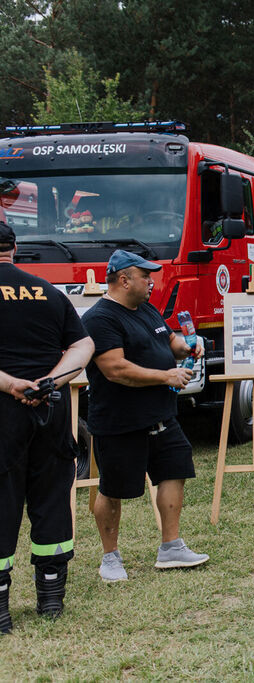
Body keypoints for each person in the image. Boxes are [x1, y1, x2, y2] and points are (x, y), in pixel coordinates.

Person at [82, 249, 208, 582]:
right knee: (113, 489)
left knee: (174, 471)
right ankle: (110, 557)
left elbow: (168, 341)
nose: (152, 282)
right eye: (146, 276)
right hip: (120, 422)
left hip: (162, 416)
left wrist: (188, 346)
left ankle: (171, 547)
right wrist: (167, 376)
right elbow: (115, 369)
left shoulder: (147, 309)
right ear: (124, 280)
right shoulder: (100, 319)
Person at [0, 221, 95, 633]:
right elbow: (83, 345)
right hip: (50, 409)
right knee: (52, 495)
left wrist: (10, 384)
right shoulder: (47, 291)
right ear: (14, 248)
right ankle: (51, 597)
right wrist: (51, 381)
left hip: (4, 410)